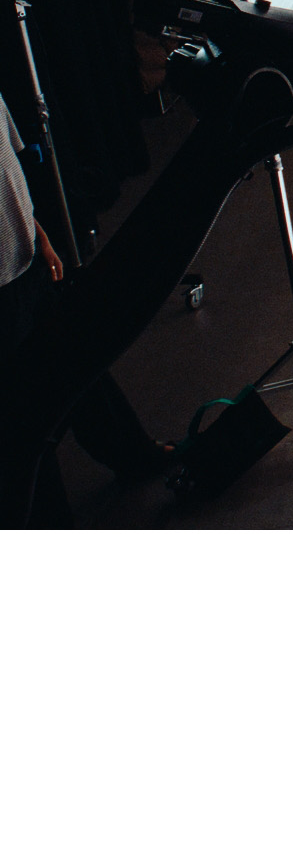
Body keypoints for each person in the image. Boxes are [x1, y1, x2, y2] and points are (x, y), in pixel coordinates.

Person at [1, 90, 172, 526]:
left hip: (23, 258)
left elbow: (8, 170)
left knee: (79, 360)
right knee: (22, 414)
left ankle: (132, 454)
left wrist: (38, 235)